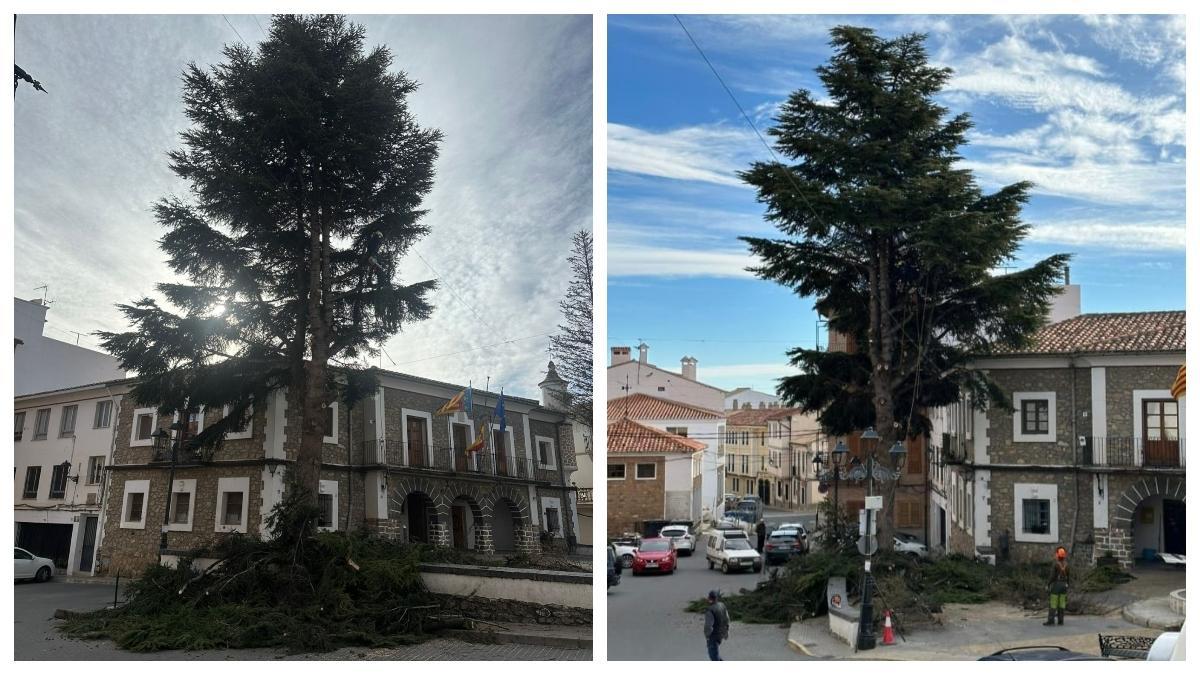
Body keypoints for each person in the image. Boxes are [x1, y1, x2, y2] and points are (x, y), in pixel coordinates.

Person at [1044, 546, 1070, 626]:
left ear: (1057, 555)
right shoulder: (1067, 565)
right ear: (1064, 555)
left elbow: (1052, 576)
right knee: (1062, 603)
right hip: (1064, 585)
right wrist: (1067, 585)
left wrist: (1048, 584)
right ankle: (1061, 620)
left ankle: (1051, 620)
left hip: (1057, 585)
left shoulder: (1056, 564)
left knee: (1053, 603)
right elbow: (1068, 576)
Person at [704, 589, 730, 660]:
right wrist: (726, 632)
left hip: (714, 636)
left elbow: (708, 626)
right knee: (716, 655)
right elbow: (727, 619)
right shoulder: (722, 605)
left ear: (709, 598)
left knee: (714, 656)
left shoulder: (710, 610)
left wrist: (707, 636)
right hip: (721, 634)